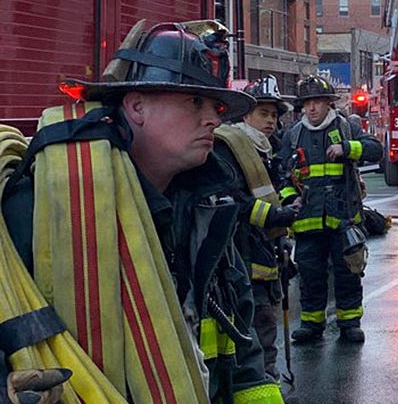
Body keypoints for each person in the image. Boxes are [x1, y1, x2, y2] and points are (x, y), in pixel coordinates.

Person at [0, 20, 283, 402]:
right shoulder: (37, 206)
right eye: (194, 102)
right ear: (136, 106)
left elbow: (241, 340)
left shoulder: (208, 207)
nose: (214, 119)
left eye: (215, 106)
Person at [279, 75, 382, 345]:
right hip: (307, 220)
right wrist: (291, 199)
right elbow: (282, 175)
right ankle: (312, 325)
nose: (312, 108)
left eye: (317, 102)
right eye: (307, 103)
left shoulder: (345, 127)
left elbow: (375, 150)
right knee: (311, 275)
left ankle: (350, 324)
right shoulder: (293, 135)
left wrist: (347, 148)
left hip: (343, 218)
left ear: (328, 104)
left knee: (348, 272)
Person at [212, 75, 298, 380]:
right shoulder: (230, 148)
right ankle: (260, 382)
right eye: (264, 113)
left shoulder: (267, 149)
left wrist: (286, 220)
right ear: (245, 115)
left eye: (274, 115)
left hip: (266, 251)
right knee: (256, 321)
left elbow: (276, 190)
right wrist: (277, 217)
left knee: (265, 321)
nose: (271, 121)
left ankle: (267, 379)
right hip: (239, 253)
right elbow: (236, 202)